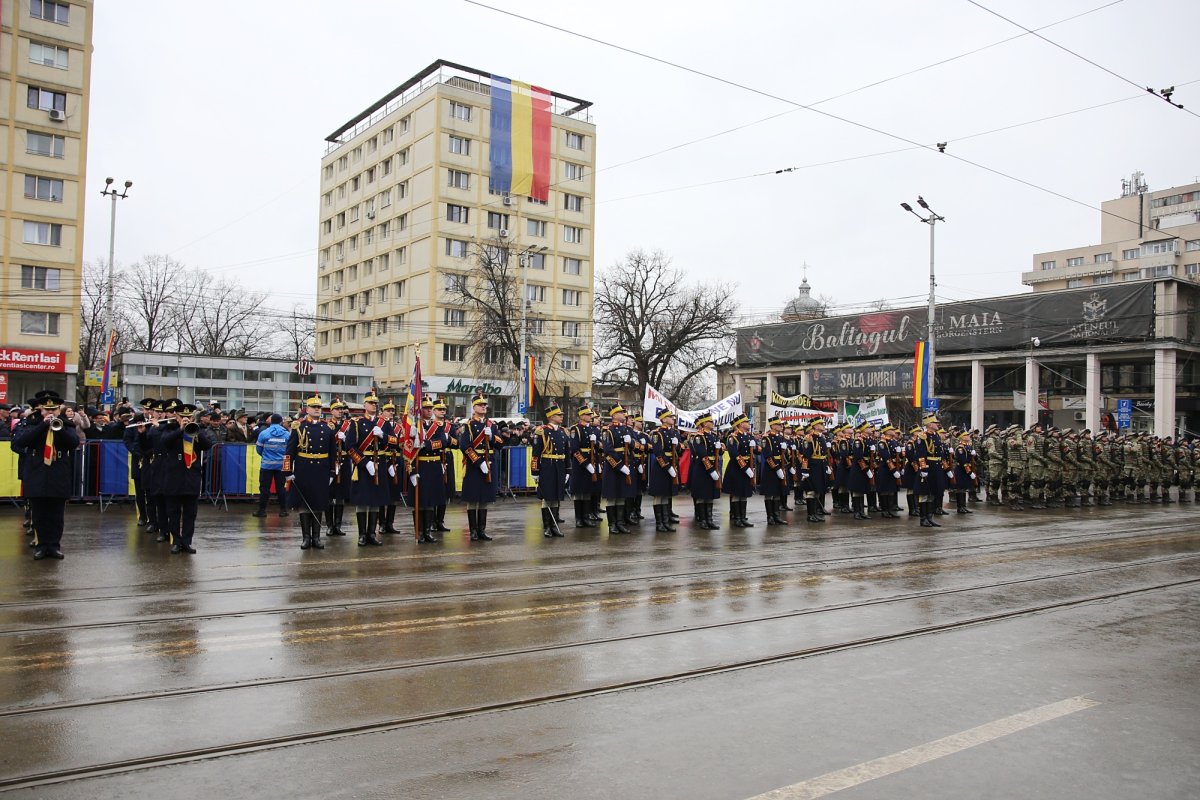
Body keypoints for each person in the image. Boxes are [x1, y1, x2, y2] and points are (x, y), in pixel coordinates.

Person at [13, 392, 80, 560]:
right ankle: (41, 545)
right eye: (46, 409)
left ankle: (54, 545)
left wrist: (59, 427)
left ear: (59, 410)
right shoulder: (31, 423)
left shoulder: (67, 424)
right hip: (38, 472)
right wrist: (43, 425)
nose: (50, 412)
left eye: (54, 409)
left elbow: (73, 443)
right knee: (40, 514)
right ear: (41, 410)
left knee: (56, 514)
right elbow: (21, 442)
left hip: (58, 472)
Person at [160, 401, 213, 554]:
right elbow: (164, 442)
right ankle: (176, 541)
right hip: (173, 478)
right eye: (182, 416)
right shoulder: (169, 428)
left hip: (191, 478)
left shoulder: (196, 429)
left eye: (188, 416)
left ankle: (187, 542)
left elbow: (208, 445)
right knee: (173, 513)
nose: (185, 418)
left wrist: (195, 433)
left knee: (190, 514)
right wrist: (180, 429)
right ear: (176, 416)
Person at [284, 396, 335, 550]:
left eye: (319, 407)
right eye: (313, 407)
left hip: (321, 469)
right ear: (307, 409)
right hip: (304, 468)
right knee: (304, 504)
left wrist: (332, 471)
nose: (317, 409)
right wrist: (287, 471)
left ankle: (316, 538)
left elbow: (333, 452)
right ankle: (306, 537)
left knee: (318, 503)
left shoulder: (328, 428)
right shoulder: (298, 426)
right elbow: (289, 451)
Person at [343, 393, 392, 546]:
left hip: (380, 464)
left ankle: (372, 533)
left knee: (376, 500)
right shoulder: (356, 423)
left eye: (375, 403)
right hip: (364, 466)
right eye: (370, 403)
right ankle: (362, 535)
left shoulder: (384, 423)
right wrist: (365, 462)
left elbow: (395, 441)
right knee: (363, 500)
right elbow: (350, 447)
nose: (374, 405)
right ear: (364, 405)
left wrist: (383, 435)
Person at [458, 393, 505, 541]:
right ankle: (473, 531)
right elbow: (465, 446)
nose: (484, 407)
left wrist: (492, 437)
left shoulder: (491, 425)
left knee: (484, 498)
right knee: (473, 498)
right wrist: (479, 462)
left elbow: (501, 444)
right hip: (475, 465)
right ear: (474, 407)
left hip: (489, 462)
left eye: (485, 405)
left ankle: (481, 530)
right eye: (480, 405)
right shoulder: (468, 425)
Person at [409, 398, 449, 544]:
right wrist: (412, 471)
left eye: (430, 408)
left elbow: (443, 442)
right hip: (420, 466)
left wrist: (426, 444)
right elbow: (407, 450)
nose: (428, 410)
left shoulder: (436, 426)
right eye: (425, 408)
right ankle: (419, 532)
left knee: (431, 500)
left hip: (433, 466)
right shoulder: (413, 427)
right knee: (420, 502)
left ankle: (427, 532)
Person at [531, 403, 569, 537]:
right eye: (559, 415)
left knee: (557, 496)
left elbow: (567, 452)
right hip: (547, 466)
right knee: (547, 497)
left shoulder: (563, 432)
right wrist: (534, 471)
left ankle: (554, 525)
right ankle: (547, 526)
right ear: (551, 417)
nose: (561, 417)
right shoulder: (542, 431)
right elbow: (536, 453)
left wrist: (568, 470)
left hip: (559, 466)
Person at [647, 407, 682, 532]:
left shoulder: (674, 433)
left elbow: (678, 452)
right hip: (661, 468)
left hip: (672, 465)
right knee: (659, 495)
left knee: (667, 494)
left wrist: (677, 445)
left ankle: (666, 522)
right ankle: (659, 523)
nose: (672, 419)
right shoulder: (657, 433)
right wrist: (667, 467)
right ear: (663, 419)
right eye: (669, 417)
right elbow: (658, 452)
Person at [687, 412, 723, 530]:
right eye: (710, 421)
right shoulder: (699, 437)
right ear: (704, 423)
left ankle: (709, 519)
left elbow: (717, 453)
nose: (712, 423)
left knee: (710, 495)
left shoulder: (713, 436)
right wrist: (711, 469)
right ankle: (703, 520)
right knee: (702, 495)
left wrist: (720, 448)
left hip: (713, 465)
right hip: (703, 468)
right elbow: (702, 454)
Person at [568, 405, 602, 528]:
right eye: (588, 414)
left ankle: (586, 517)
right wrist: (586, 464)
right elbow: (575, 450)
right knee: (579, 492)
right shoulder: (575, 429)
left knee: (588, 491)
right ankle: (579, 518)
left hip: (592, 462)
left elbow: (600, 448)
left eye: (590, 415)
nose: (590, 416)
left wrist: (597, 442)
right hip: (580, 464)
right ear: (581, 416)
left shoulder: (593, 430)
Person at [908, 414, 944, 528]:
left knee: (933, 493)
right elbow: (921, 454)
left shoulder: (936, 435)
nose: (937, 424)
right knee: (924, 493)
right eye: (935, 423)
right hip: (928, 467)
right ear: (929, 424)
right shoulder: (922, 437)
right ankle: (923, 519)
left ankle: (930, 517)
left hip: (936, 467)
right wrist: (923, 468)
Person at [253, 414, 290, 518]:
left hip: (266, 465)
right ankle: (283, 510)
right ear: (281, 422)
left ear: (271, 421)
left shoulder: (264, 433)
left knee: (264, 488)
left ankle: (262, 511)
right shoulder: (287, 434)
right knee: (281, 488)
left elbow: (259, 449)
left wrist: (266, 457)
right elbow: (289, 449)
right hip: (280, 466)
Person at [325, 400, 351, 536]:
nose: (340, 411)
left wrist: (345, 438)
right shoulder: (327, 425)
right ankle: (329, 525)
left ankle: (338, 525)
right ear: (331, 411)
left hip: (345, 460)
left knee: (340, 495)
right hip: (331, 460)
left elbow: (353, 443)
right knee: (329, 494)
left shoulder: (349, 425)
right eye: (337, 409)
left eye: (341, 409)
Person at [431, 400, 455, 532]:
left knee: (445, 490)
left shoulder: (449, 426)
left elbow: (457, 443)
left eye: (444, 409)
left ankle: (440, 520)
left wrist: (449, 439)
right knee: (434, 490)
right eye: (439, 409)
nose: (442, 412)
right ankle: (431, 521)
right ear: (434, 411)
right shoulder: (431, 425)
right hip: (435, 457)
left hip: (447, 458)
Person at [759, 416, 788, 526]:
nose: (781, 426)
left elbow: (782, 455)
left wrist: (784, 450)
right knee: (769, 493)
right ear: (772, 426)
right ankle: (770, 516)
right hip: (771, 469)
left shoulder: (780, 438)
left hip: (780, 466)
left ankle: (777, 515)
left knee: (777, 492)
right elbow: (767, 456)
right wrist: (776, 469)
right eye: (778, 425)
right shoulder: (766, 439)